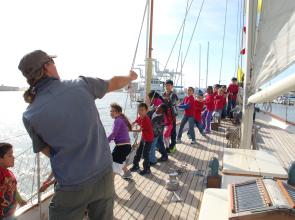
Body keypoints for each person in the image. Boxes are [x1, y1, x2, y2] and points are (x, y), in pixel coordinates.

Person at [19, 50, 137, 220]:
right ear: (46, 67)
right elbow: (113, 82)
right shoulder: (81, 85)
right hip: (103, 177)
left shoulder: (29, 115)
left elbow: (47, 150)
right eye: (52, 62)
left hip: (70, 187)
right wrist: (130, 77)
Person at [0, 143, 27, 220]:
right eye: (10, 155)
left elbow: (13, 189)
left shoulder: (8, 173)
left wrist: (19, 200)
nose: (13, 157)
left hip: (11, 214)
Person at [108, 103, 133, 179]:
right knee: (119, 161)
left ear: (118, 112)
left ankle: (110, 187)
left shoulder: (118, 120)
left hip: (122, 147)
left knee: (114, 167)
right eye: (111, 111)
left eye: (113, 111)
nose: (111, 113)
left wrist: (106, 141)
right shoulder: (121, 119)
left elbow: (114, 133)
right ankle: (127, 174)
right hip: (125, 146)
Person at [130, 103, 154, 175]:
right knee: (138, 151)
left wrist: (130, 130)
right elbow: (136, 121)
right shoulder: (140, 117)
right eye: (139, 110)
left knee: (145, 154)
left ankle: (147, 169)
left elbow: (140, 129)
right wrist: (131, 124)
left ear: (146, 111)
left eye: (142, 110)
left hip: (149, 139)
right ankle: (136, 165)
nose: (140, 112)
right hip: (144, 137)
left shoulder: (146, 119)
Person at [162, 80, 179, 153]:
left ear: (172, 86)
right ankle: (167, 146)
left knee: (173, 132)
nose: (167, 87)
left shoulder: (173, 95)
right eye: (166, 85)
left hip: (172, 117)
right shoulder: (164, 94)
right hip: (165, 116)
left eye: (169, 85)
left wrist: (166, 100)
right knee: (166, 132)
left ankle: (173, 146)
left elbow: (172, 103)